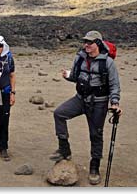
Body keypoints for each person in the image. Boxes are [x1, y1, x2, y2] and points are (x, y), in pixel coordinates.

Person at [50, 30, 122, 185]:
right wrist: (68, 76)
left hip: (99, 103)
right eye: (85, 42)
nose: (86, 45)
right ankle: (64, 150)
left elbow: (114, 85)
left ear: (98, 44)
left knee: (95, 134)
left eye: (90, 42)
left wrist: (115, 103)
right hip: (80, 99)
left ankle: (94, 166)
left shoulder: (107, 62)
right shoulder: (80, 58)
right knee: (59, 113)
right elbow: (76, 77)